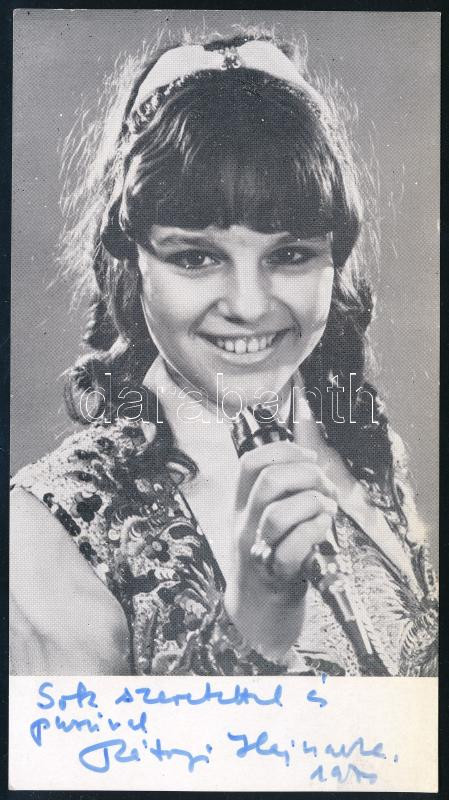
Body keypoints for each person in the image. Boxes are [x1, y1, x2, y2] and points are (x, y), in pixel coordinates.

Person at [10, 30, 438, 676]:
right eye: (196, 257)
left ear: (334, 259)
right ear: (133, 262)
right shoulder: (46, 530)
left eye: (289, 254)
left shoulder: (364, 447)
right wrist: (254, 627)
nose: (248, 305)